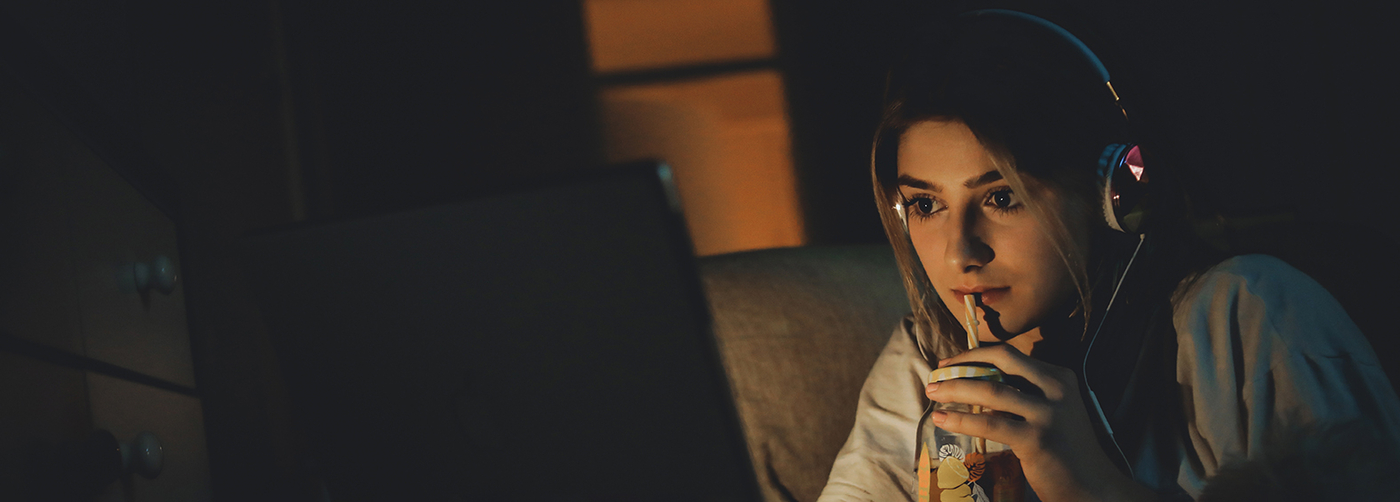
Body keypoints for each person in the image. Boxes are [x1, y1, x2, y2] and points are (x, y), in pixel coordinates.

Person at [816, 6, 1400, 502]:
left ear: (1118, 194)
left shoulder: (1247, 314)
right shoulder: (928, 357)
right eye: (925, 205)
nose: (959, 252)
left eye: (1002, 197)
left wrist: (1092, 487)